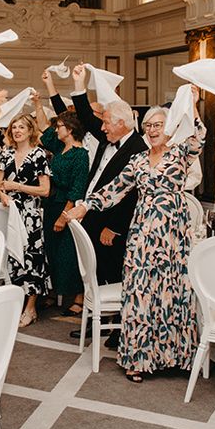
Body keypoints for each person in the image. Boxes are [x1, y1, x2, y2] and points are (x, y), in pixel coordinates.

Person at [64, 89, 205, 382]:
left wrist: (192, 105)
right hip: (142, 232)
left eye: (158, 125)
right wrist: (85, 206)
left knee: (172, 291)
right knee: (140, 291)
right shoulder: (138, 160)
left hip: (173, 234)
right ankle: (139, 359)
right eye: (148, 126)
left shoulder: (181, 154)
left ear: (169, 128)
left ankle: (174, 357)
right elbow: (114, 190)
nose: (152, 131)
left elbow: (198, 136)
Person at [68, 65, 148, 348]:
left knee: (114, 273)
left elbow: (133, 194)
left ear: (122, 123)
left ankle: (119, 328)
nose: (101, 127)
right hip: (92, 212)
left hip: (111, 223)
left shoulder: (138, 148)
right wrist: (79, 85)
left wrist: (113, 228)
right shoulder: (110, 137)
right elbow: (87, 120)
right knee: (96, 272)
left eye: (107, 123)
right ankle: (99, 320)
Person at [33, 92, 89, 314]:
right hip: (51, 203)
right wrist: (38, 103)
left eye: (61, 126)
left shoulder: (80, 155)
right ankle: (53, 292)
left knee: (68, 254)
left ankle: (77, 298)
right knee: (51, 251)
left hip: (66, 207)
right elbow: (43, 129)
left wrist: (64, 217)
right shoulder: (58, 147)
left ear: (71, 129)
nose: (57, 129)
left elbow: (77, 190)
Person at [0, 113, 50, 327]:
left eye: (22, 128)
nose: (17, 131)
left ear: (30, 131)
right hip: (10, 213)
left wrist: (17, 187)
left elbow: (45, 190)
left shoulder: (38, 155)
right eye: (14, 127)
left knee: (32, 258)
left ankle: (31, 307)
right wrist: (3, 194)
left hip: (31, 215)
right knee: (14, 259)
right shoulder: (6, 154)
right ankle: (16, 302)